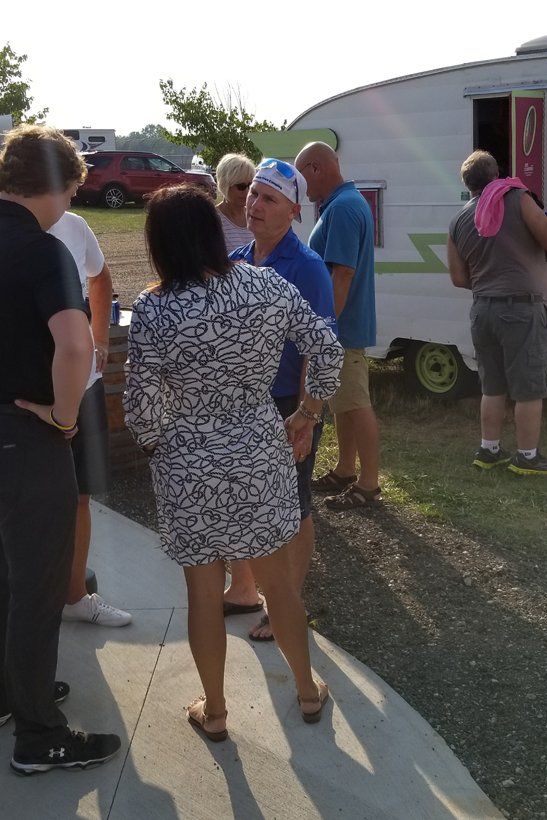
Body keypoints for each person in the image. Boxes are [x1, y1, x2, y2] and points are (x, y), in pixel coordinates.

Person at [123, 184, 343, 741]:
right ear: (212, 233)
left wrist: (160, 443)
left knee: (202, 590)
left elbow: (142, 407)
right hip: (260, 447)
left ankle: (216, 711)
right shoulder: (267, 286)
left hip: (188, 459)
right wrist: (307, 411)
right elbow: (328, 347)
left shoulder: (153, 309)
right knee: (278, 586)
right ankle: (308, 690)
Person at [0, 125, 121, 774]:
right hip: (26, 435)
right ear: (67, 185)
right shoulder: (44, 251)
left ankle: (11, 694)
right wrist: (65, 415)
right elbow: (76, 347)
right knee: (38, 587)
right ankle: (39, 734)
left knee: (2, 575)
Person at [225, 158, 336, 641]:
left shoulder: (307, 267)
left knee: (293, 507)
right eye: (252, 195)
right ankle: (245, 589)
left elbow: (324, 347)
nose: (255, 205)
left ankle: (286, 603)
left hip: (290, 401)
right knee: (242, 501)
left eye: (268, 199)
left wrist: (308, 416)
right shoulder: (235, 261)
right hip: (242, 403)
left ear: (293, 211)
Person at [447, 150, 547, 474]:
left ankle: (489, 451)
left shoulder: (459, 218)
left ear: (468, 184)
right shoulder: (517, 198)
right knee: (529, 387)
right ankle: (527, 457)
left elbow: (459, 278)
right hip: (520, 308)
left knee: (492, 385)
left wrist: (490, 280)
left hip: (482, 310)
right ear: (496, 173)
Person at [48, 212, 132, 627]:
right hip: (27, 394)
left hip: (85, 385)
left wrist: (100, 336)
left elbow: (100, 278)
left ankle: (75, 595)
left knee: (81, 494)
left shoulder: (74, 225)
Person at [295, 142, 381, 509]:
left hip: (340, 329)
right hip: (340, 327)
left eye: (302, 176)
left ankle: (369, 483)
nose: (301, 187)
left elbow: (342, 273)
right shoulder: (343, 204)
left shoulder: (343, 209)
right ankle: (346, 469)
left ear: (316, 168)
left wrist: (324, 329)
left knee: (356, 402)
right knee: (341, 403)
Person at [215, 153, 256, 254]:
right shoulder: (212, 220)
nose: (247, 191)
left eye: (250, 185)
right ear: (225, 185)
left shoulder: (257, 216)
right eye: (241, 186)